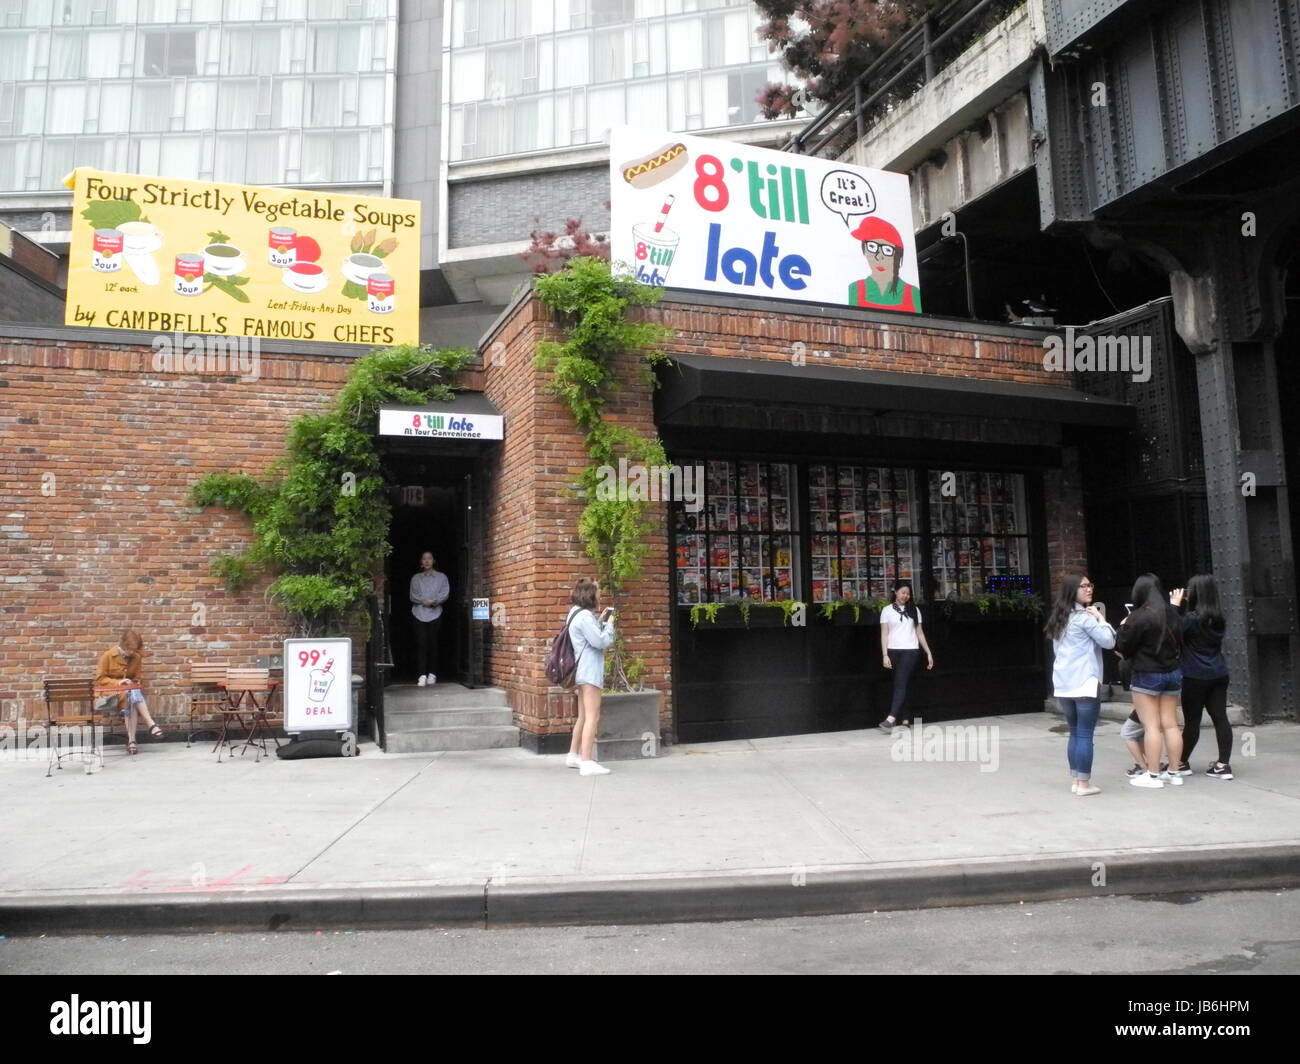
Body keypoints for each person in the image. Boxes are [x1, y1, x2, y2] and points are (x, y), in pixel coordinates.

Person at [1044, 575, 1114, 796]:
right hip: (1085, 681)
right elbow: (1109, 641)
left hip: (1064, 683)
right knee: (1084, 734)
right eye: (1083, 586)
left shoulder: (1059, 618)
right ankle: (1084, 783)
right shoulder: (1085, 618)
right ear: (1072, 591)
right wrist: (1100, 619)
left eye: (1089, 585)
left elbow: (1057, 652)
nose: (1088, 589)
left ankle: (1076, 779)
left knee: (1075, 732)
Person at [1115, 572, 1184, 788]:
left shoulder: (1138, 616)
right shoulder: (1172, 613)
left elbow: (1122, 647)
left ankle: (1153, 775)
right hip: (1172, 674)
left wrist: (1123, 626)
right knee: (1171, 725)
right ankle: (1174, 772)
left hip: (1147, 675)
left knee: (1151, 726)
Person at [1172, 574, 1233, 780]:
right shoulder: (1219, 619)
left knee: (1192, 722)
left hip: (1195, 675)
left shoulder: (1191, 619)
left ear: (1196, 593)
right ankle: (1223, 765)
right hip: (1218, 673)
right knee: (1220, 718)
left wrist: (1175, 606)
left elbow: (1173, 633)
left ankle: (1181, 762)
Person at [565, 578, 617, 777]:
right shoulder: (585, 616)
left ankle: (573, 755)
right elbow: (601, 642)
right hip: (589, 671)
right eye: (598, 592)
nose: (600, 596)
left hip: (580, 670)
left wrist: (600, 621)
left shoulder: (575, 613)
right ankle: (587, 761)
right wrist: (610, 624)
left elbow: (589, 636)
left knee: (583, 716)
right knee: (592, 716)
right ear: (590, 595)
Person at [94, 630, 161, 755]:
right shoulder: (108, 656)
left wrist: (132, 682)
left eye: (134, 650)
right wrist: (118, 682)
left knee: (131, 695)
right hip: (110, 694)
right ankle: (150, 724)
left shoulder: (136, 657)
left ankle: (132, 742)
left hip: (128, 694)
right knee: (132, 695)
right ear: (123, 644)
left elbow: (137, 677)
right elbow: (99, 679)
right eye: (130, 649)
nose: (132, 652)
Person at [878, 580, 933, 731]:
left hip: (910, 651)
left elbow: (920, 633)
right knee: (901, 684)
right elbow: (884, 634)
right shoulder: (886, 611)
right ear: (895, 592)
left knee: (901, 682)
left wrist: (928, 652)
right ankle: (906, 717)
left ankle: (891, 718)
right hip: (893, 650)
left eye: (908, 594)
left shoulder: (915, 610)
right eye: (903, 592)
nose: (905, 596)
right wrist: (885, 654)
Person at [846, 216, 922, 312]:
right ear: (864, 250)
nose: (879, 256)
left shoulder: (912, 293)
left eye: (887, 250)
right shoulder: (855, 289)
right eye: (872, 247)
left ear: (898, 256)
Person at [409, 550, 449, 686]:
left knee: (433, 644)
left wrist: (435, 601)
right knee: (421, 644)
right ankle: (422, 675)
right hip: (419, 613)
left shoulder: (442, 577)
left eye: (429, 558)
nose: (427, 561)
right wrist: (423, 601)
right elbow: (413, 595)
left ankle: (432, 673)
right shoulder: (416, 578)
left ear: (434, 561)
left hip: (435, 613)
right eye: (424, 559)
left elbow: (445, 593)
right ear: (421, 561)